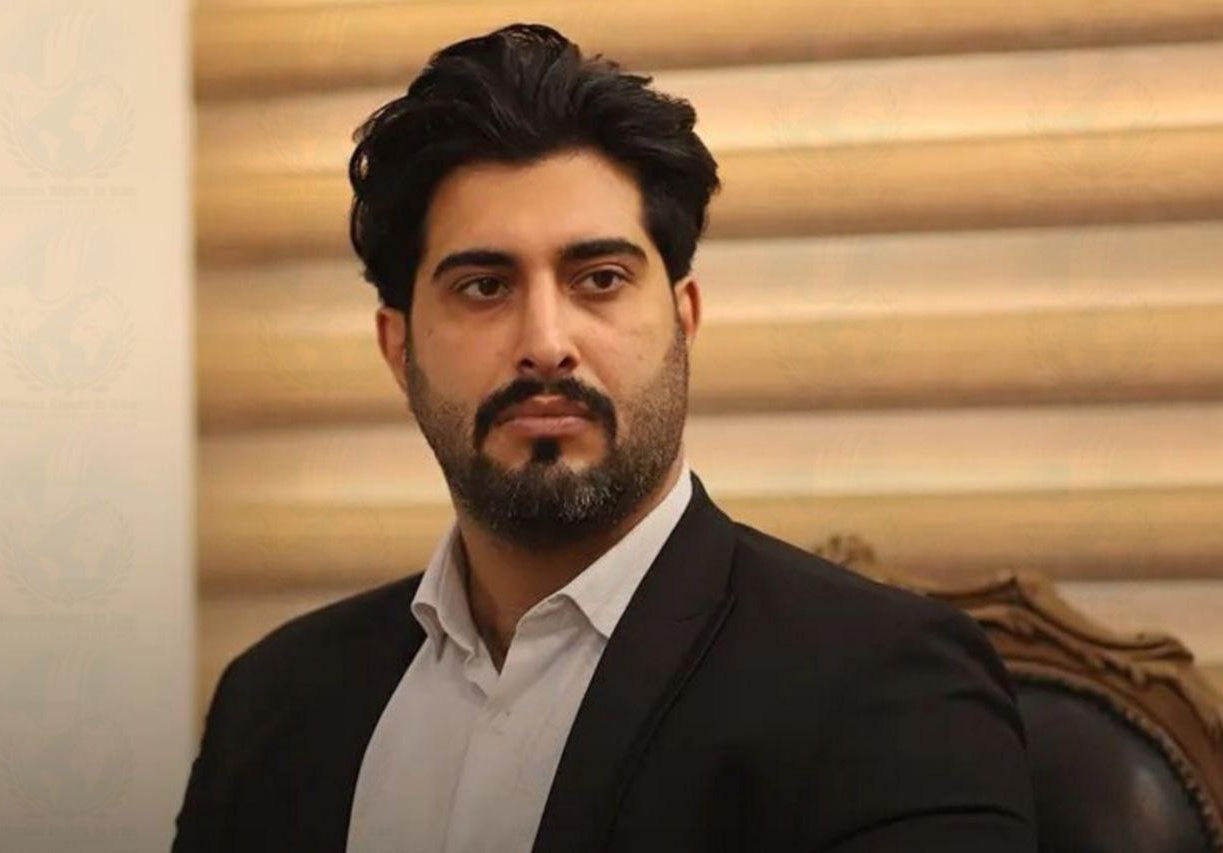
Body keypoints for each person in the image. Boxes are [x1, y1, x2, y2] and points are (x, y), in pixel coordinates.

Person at [173, 23, 1036, 853]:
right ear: (399, 348)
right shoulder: (271, 702)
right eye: (483, 287)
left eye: (600, 278)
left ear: (683, 319)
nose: (546, 342)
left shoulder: (885, 685)